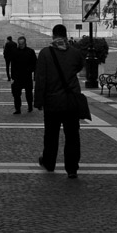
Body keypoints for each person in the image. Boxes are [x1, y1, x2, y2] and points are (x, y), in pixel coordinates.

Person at [34, 23, 85, 178]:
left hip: (52, 102)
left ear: (53, 36)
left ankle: (49, 163)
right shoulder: (75, 53)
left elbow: (40, 79)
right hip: (71, 101)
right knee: (72, 136)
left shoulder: (44, 54)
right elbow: (79, 67)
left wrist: (38, 102)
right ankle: (72, 169)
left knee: (50, 135)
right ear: (65, 35)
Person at [11, 36, 37, 114]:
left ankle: (30, 106)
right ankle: (17, 108)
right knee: (16, 94)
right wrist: (13, 76)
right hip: (17, 77)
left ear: (25, 43)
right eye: (19, 43)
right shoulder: (15, 51)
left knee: (29, 93)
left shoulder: (30, 51)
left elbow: (35, 63)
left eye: (22, 43)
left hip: (27, 76)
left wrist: (31, 71)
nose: (21, 45)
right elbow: (13, 65)